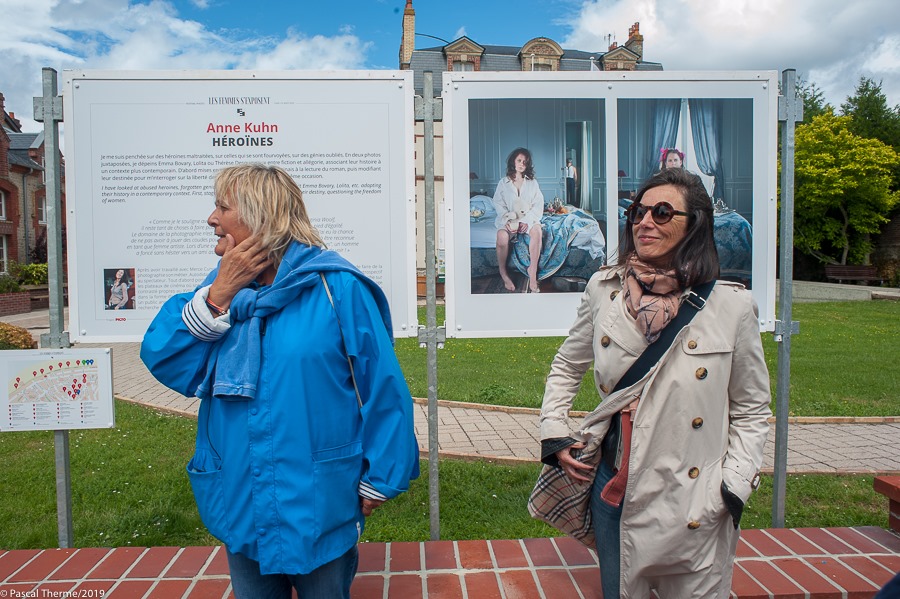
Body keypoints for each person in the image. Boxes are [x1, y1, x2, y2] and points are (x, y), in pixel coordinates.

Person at [140, 163, 420, 599]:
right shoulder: (221, 290)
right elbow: (166, 359)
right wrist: (217, 297)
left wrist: (382, 474)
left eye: (222, 206)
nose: (211, 218)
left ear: (258, 215)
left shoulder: (337, 288)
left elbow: (381, 387)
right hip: (242, 494)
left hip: (317, 501)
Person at [539, 167, 771, 597]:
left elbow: (753, 410)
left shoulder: (732, 307)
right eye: (639, 211)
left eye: (662, 212)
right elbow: (567, 365)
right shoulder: (603, 288)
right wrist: (554, 429)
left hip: (696, 501)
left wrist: (731, 488)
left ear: (694, 224)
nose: (644, 221)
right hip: (617, 491)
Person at [493, 147, 544, 293]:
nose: (522, 164)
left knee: (537, 231)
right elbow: (498, 203)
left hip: (527, 219)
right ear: (513, 162)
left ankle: (532, 271)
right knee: (501, 237)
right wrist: (509, 222)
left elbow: (538, 204)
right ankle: (503, 272)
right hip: (509, 220)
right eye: (519, 160)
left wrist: (525, 222)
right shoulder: (503, 183)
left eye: (525, 162)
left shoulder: (532, 183)